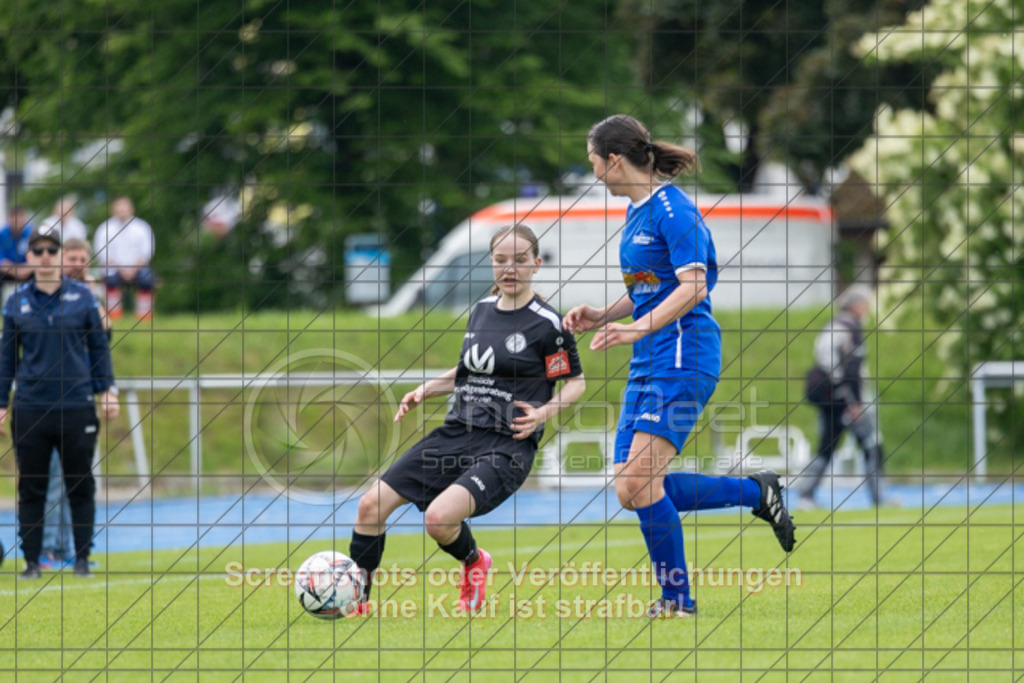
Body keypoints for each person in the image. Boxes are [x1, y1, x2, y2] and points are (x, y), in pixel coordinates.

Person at [564, 114, 796, 618]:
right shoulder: (635, 212)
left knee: (639, 483)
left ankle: (677, 602)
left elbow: (694, 288)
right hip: (651, 357)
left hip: (684, 355)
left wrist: (637, 329)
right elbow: (651, 287)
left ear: (615, 161)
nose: (594, 174)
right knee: (633, 488)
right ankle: (755, 492)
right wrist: (604, 315)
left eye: (593, 163)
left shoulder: (674, 210)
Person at [349, 224, 586, 615]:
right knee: (370, 506)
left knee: (439, 520)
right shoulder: (481, 311)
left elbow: (575, 383)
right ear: (491, 263)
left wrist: (544, 413)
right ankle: (355, 599)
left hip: (506, 445)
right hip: (457, 432)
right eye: (501, 260)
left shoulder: (548, 325)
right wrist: (426, 389)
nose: (509, 268)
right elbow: (469, 371)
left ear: (536, 265)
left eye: (520, 260)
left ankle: (475, 562)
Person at [0, 224, 120, 579]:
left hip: (77, 405)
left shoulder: (83, 299)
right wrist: (2, 403)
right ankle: (32, 562)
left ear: (58, 256)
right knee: (33, 486)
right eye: (39, 251)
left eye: (52, 251)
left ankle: (82, 559)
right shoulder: (16, 301)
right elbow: (7, 357)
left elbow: (99, 349)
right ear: (30, 257)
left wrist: (107, 391)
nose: (46, 257)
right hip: (32, 407)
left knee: (80, 483)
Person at [38, 238, 112, 570]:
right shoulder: (44, 296)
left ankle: (72, 548)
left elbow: (105, 338)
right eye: (72, 257)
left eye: (83, 258)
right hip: (48, 400)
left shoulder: (87, 299)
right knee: (53, 477)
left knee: (78, 477)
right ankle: (48, 548)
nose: (78, 263)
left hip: (80, 398)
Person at [799, 285, 886, 508]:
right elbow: (851, 369)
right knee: (871, 444)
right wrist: (854, 402)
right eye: (865, 304)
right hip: (845, 399)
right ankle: (879, 497)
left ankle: (805, 496)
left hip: (830, 397)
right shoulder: (850, 328)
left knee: (826, 446)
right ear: (857, 305)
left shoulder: (833, 326)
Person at [92, 196, 155, 320]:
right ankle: (114, 315)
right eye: (119, 207)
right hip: (113, 270)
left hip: (138, 269)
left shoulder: (142, 227)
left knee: (147, 279)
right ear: (113, 209)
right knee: (110, 280)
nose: (122, 210)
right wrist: (122, 269)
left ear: (131, 209)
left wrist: (133, 269)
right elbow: (102, 253)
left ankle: (144, 316)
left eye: (124, 207)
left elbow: (147, 252)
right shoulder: (104, 229)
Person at [0, 205, 34, 284]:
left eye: (21, 216)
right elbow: (1, 261)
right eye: (15, 216)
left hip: (26, 271)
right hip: (8, 272)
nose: (18, 220)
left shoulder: (31, 233)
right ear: (9, 218)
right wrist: (17, 271)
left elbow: (36, 257)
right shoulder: (2, 234)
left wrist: (25, 270)